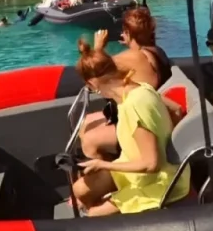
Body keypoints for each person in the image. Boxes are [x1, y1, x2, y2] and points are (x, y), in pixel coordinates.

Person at [71, 38, 189, 216]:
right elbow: (176, 108)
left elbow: (151, 164)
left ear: (93, 85)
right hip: (138, 169)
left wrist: (102, 164)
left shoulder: (134, 105)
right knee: (80, 190)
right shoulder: (141, 88)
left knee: (93, 214)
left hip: (157, 182)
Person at [79, 8, 175, 160]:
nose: (122, 34)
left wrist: (98, 47)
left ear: (128, 33)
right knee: (87, 122)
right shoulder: (157, 51)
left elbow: (95, 68)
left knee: (89, 141)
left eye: (124, 31)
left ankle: (109, 176)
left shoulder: (130, 58)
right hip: (154, 115)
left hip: (145, 124)